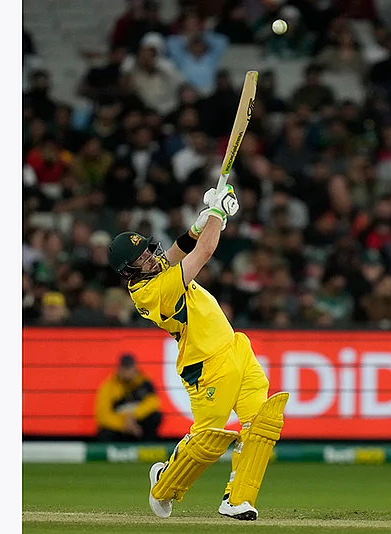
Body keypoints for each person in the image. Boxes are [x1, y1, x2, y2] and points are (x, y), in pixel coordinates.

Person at [107, 183, 289, 521]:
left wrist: (200, 221)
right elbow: (202, 253)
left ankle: (237, 500)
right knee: (206, 441)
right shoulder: (151, 291)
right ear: (129, 271)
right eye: (141, 258)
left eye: (147, 250)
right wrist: (217, 216)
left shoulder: (156, 269)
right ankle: (163, 484)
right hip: (205, 365)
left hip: (235, 347)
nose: (150, 257)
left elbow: (179, 248)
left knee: (262, 423)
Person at [95, 354, 163, 441]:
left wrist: (133, 416)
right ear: (119, 369)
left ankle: (148, 447)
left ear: (135, 368)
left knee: (155, 416)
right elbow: (103, 416)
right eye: (124, 368)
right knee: (105, 432)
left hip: (138, 426)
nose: (127, 372)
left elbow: (154, 402)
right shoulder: (108, 387)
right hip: (119, 429)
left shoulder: (144, 382)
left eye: (129, 368)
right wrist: (124, 425)